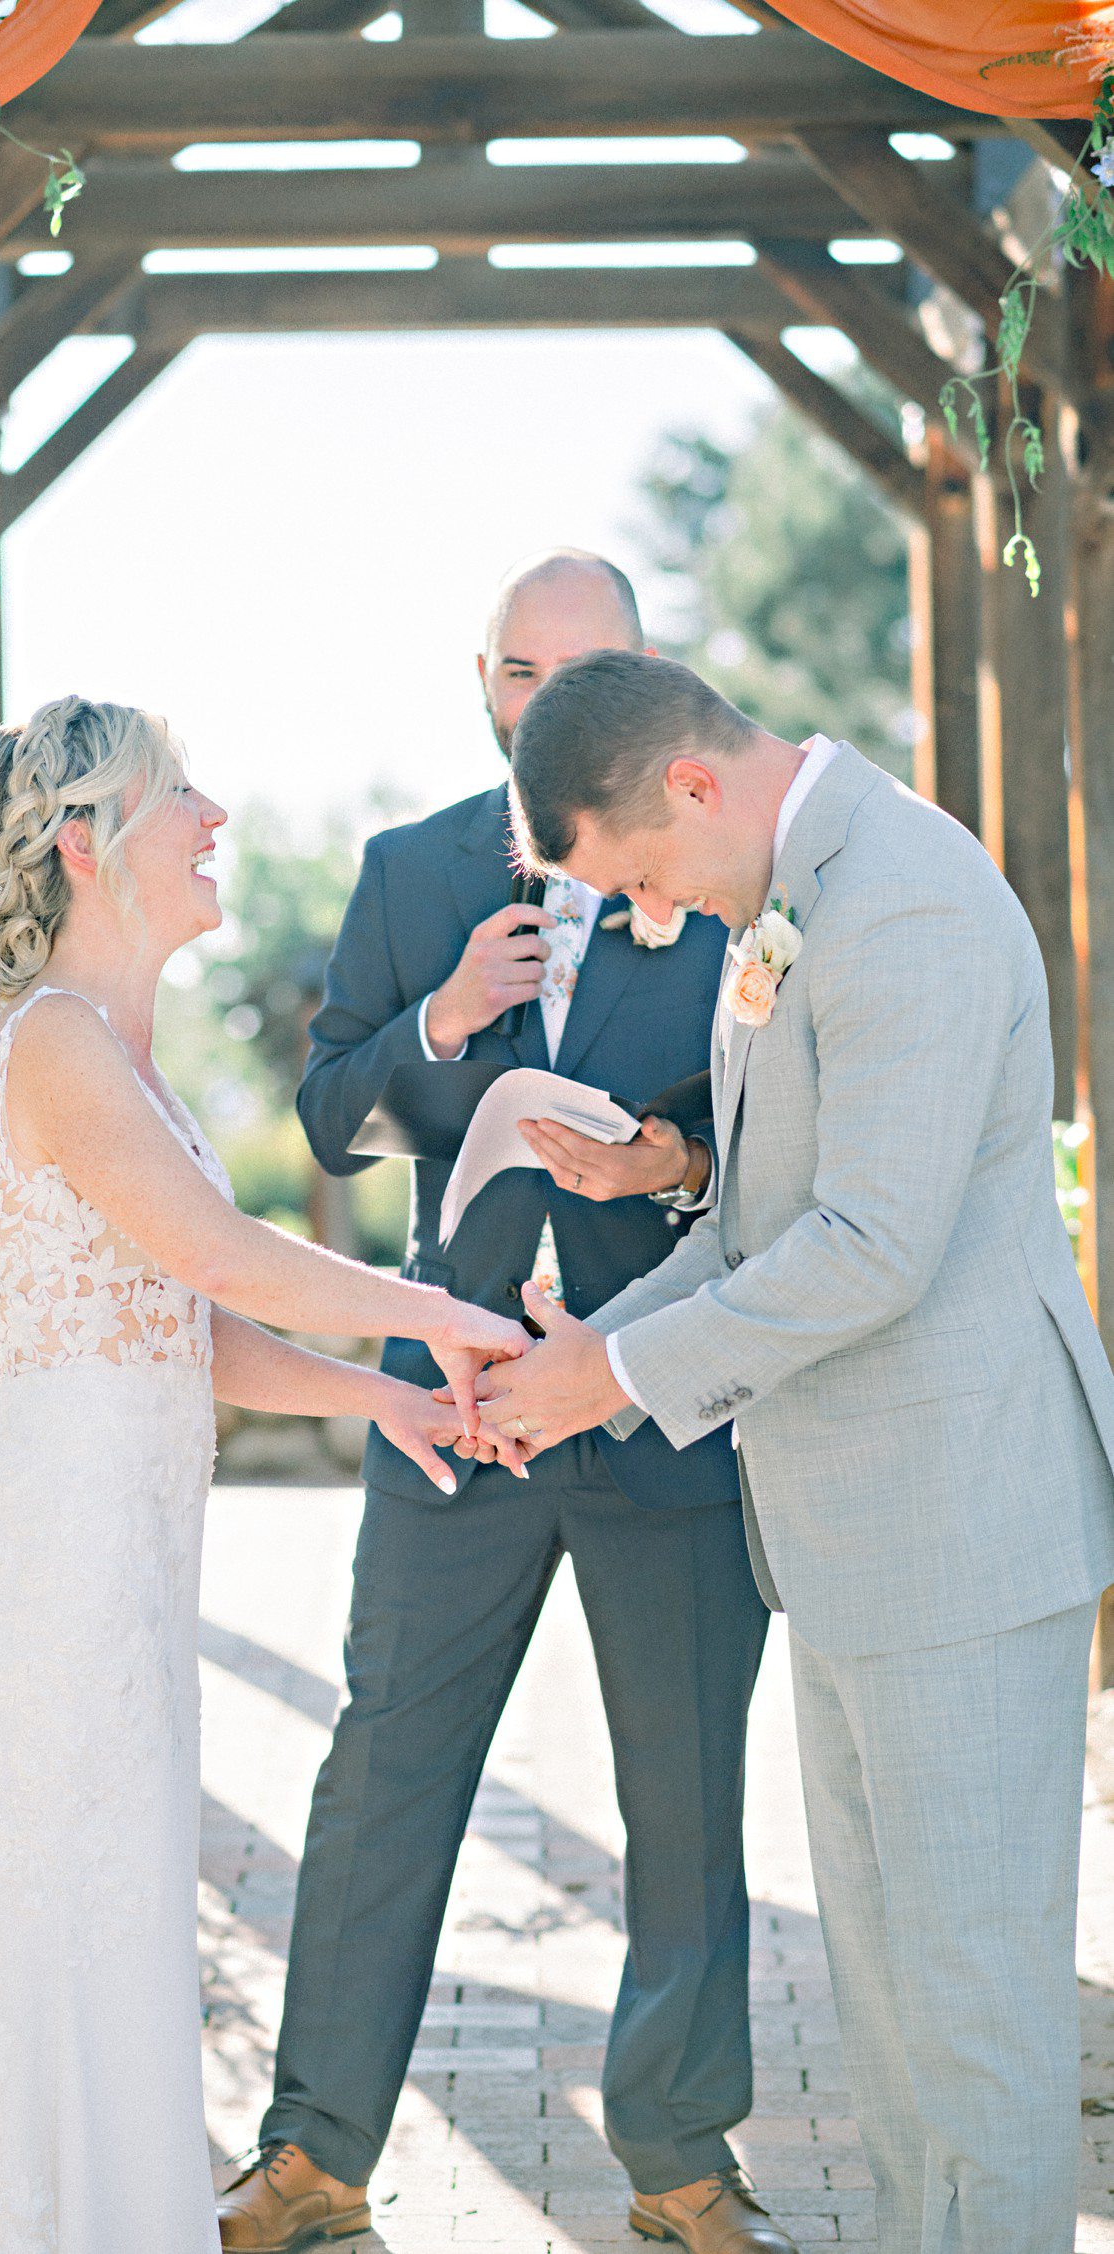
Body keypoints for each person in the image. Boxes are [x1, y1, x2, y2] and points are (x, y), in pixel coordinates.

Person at [0, 696, 529, 2254]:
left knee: (100, 1924)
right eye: (176, 791)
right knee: (42, 1934)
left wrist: (385, 1398)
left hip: (111, 1560)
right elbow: (218, 1252)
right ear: (85, 842)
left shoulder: (115, 1048)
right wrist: (439, 1312)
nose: (215, 815)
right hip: (48, 1562)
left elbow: (174, 1325)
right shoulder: (51, 1042)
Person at [477, 647, 1114, 2254]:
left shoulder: (898, 893)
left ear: (693, 784)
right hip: (850, 1540)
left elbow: (868, 1248)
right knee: (890, 2001)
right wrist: (591, 1372)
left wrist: (613, 1368)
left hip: (961, 1528)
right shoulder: (793, 891)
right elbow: (762, 1221)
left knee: (975, 2004)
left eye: (644, 874)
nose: (665, 913)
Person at [218, 555, 795, 2254]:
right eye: (522, 669)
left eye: (588, 667)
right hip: (447, 1417)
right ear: (482, 679)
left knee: (685, 1790)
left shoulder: (723, 875)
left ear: (651, 680)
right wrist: (440, 1018)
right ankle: (314, 2152)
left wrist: (670, 1161)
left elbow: (766, 1140)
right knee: (385, 1767)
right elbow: (330, 1112)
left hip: (650, 1400)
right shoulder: (407, 871)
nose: (549, 699)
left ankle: (683, 2163)